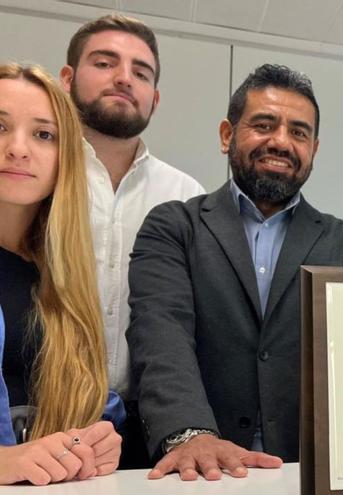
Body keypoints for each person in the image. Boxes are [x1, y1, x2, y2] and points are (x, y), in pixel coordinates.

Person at [127, 63, 343, 481]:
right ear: (228, 135)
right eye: (263, 125)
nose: (281, 141)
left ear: (314, 149)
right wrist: (191, 433)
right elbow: (160, 332)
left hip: (308, 468)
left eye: (298, 132)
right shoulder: (174, 226)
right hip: (199, 468)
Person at [59, 14, 205, 468]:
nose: (124, 78)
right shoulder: (38, 178)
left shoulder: (186, 196)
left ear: (154, 99)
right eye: (105, 63)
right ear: (67, 80)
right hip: (45, 413)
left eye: (141, 73)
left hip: (152, 424)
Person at [0, 63, 122, 485]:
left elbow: (84, 407)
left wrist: (95, 440)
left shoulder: (63, 280)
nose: (17, 148)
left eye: (43, 134)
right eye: (0, 127)